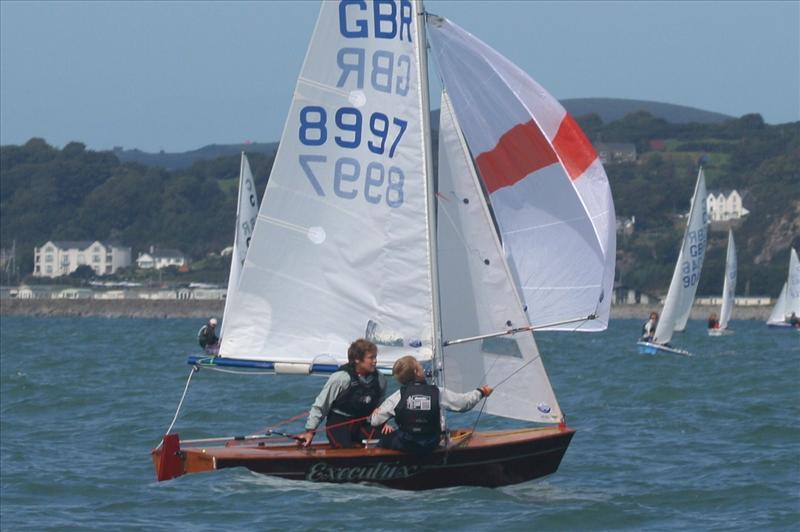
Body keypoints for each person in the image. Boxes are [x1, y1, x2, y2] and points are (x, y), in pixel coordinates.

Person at [369, 355, 493, 454]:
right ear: (416, 371)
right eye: (420, 366)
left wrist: (375, 414)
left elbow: (375, 421)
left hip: (406, 443)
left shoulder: (398, 395)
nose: (423, 368)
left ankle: (381, 468)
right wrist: (481, 392)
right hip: (430, 444)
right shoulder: (437, 392)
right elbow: (464, 404)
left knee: (382, 441)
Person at [298, 339, 387, 449]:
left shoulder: (379, 379)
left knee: (388, 440)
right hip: (339, 423)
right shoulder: (341, 378)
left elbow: (381, 407)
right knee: (344, 448)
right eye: (371, 358)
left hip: (363, 423)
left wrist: (383, 422)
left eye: (375, 357)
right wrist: (310, 431)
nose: (375, 361)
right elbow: (321, 405)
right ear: (357, 360)